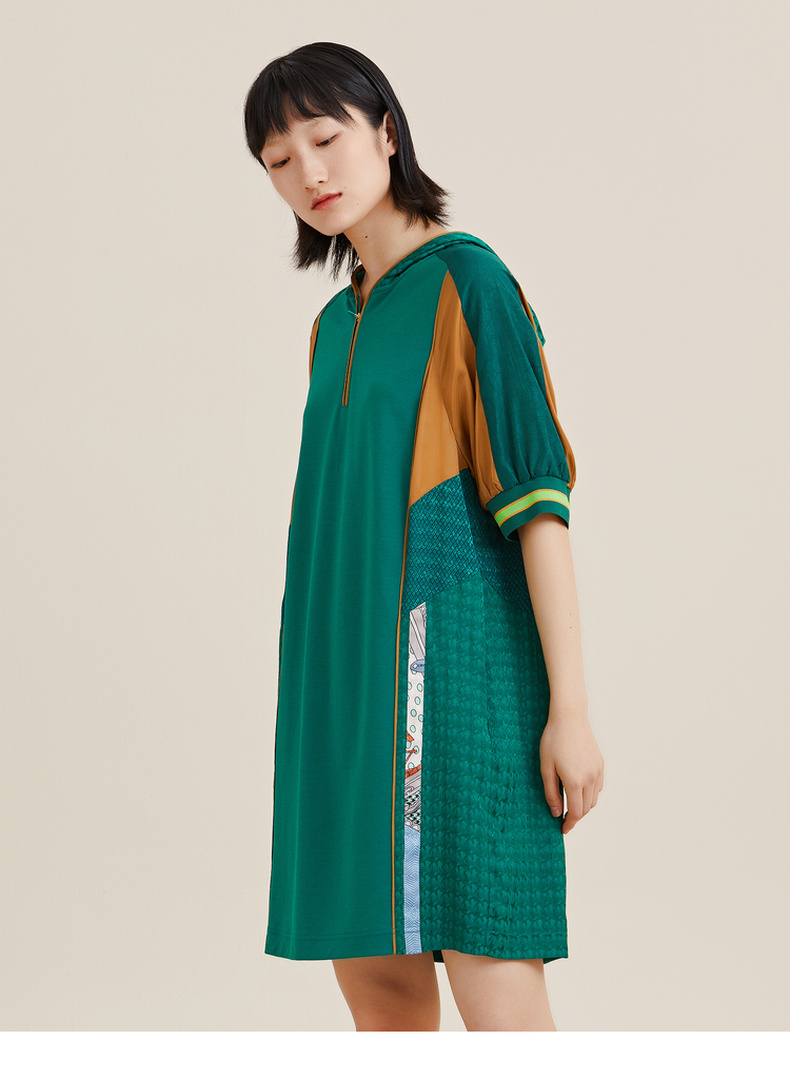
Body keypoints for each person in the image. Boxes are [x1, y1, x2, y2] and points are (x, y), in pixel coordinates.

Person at [243, 41, 604, 1032]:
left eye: (326, 138)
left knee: (493, 965)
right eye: (278, 159)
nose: (308, 171)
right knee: (378, 986)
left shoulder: (470, 282)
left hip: (456, 684)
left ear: (387, 133)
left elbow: (537, 503)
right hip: (337, 691)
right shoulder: (331, 327)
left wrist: (570, 710)